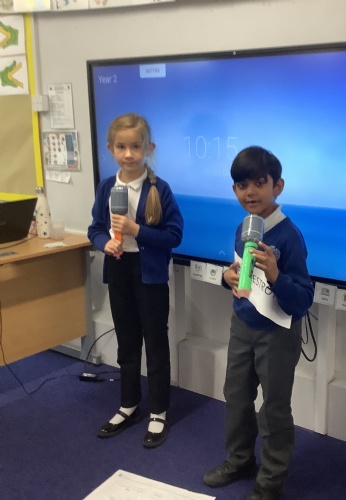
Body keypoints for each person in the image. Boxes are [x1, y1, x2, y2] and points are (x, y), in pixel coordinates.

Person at [203, 146, 314, 499]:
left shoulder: (289, 235)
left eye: (259, 183)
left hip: (277, 335)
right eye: (241, 185)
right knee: (235, 396)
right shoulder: (244, 228)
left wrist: (277, 275)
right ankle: (239, 460)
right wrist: (227, 278)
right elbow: (242, 275)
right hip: (243, 325)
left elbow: (303, 299)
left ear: (277, 186)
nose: (249, 192)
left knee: (274, 408)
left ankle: (270, 483)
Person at [88, 113, 183, 449]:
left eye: (135, 147)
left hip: (150, 274)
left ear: (148, 148)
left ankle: (158, 411)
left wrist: (136, 230)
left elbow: (174, 235)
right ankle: (128, 404)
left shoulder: (160, 189)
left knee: (155, 342)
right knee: (127, 341)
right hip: (119, 270)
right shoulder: (106, 187)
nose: (128, 154)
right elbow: (95, 228)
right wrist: (105, 243)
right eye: (121, 147)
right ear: (110, 149)